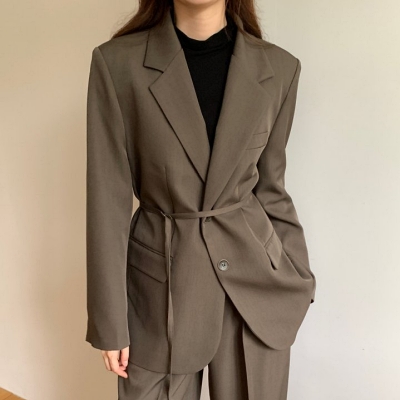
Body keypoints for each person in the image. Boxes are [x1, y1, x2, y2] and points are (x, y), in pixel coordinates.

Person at [85, 0, 316, 399]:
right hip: (159, 289)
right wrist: (110, 321)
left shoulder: (280, 68)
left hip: (256, 288)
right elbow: (107, 201)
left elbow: (271, 189)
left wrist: (299, 277)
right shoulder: (117, 64)